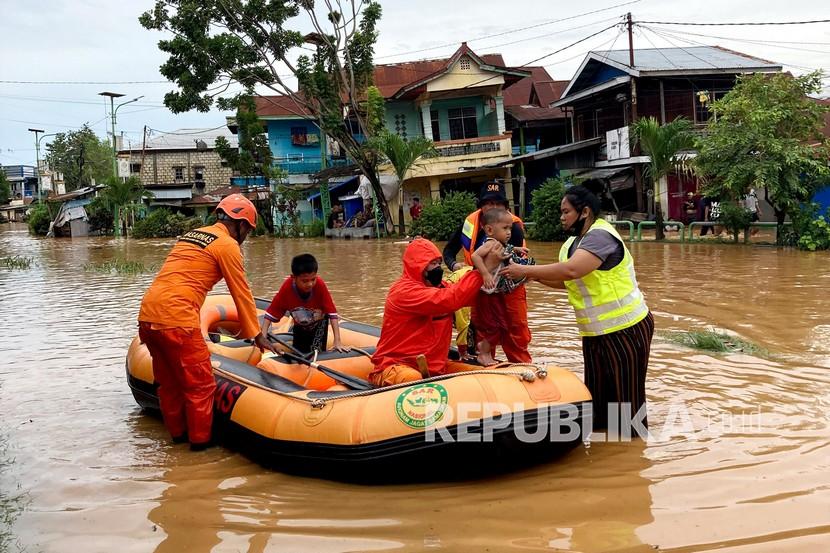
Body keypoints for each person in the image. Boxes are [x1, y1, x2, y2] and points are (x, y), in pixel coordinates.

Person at [501, 179, 654, 432]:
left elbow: (572, 270)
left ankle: (634, 455)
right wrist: (533, 276)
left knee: (627, 404)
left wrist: (524, 269)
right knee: (599, 400)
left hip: (626, 329)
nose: (562, 218)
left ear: (585, 212)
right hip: (595, 333)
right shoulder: (573, 244)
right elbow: (569, 282)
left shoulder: (600, 236)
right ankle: (611, 458)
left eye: (566, 212)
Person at [138, 194, 276, 450]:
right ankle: (200, 449)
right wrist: (257, 335)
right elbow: (241, 292)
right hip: (178, 320)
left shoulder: (193, 235)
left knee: (169, 385)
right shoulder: (227, 245)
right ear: (242, 224)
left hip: (148, 316)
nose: (246, 237)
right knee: (200, 386)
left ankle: (178, 440)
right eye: (248, 230)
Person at [369, 238, 487, 387]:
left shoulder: (441, 287)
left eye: (439, 263)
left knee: (481, 375)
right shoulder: (404, 292)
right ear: (418, 266)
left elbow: (465, 295)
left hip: (436, 367)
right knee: (413, 379)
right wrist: (478, 271)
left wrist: (490, 271)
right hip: (397, 365)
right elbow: (451, 299)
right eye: (432, 264)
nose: (437, 268)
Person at [443, 182, 532, 363]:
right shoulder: (469, 224)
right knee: (482, 327)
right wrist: (454, 265)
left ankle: (521, 365)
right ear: (481, 207)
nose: (494, 208)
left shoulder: (512, 227)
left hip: (509, 287)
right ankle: (483, 364)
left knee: (514, 330)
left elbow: (506, 254)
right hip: (481, 286)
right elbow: (449, 251)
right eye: (488, 203)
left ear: (506, 208)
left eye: (498, 204)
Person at [469, 208, 534, 366]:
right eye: (505, 228)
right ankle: (483, 352)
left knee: (502, 325)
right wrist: (485, 274)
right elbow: (475, 256)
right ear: (490, 230)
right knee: (492, 326)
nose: (509, 232)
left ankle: (485, 352)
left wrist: (516, 249)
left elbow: (505, 250)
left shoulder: (499, 244)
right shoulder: (490, 243)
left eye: (510, 228)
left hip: (494, 294)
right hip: (486, 294)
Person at [260, 253, 348, 354]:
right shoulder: (287, 288)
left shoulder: (319, 285)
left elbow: (332, 313)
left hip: (318, 324)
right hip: (299, 326)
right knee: (299, 352)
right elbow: (271, 313)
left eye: (313, 279)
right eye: (305, 281)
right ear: (294, 278)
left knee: (316, 351)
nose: (310, 284)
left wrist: (337, 341)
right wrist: (263, 336)